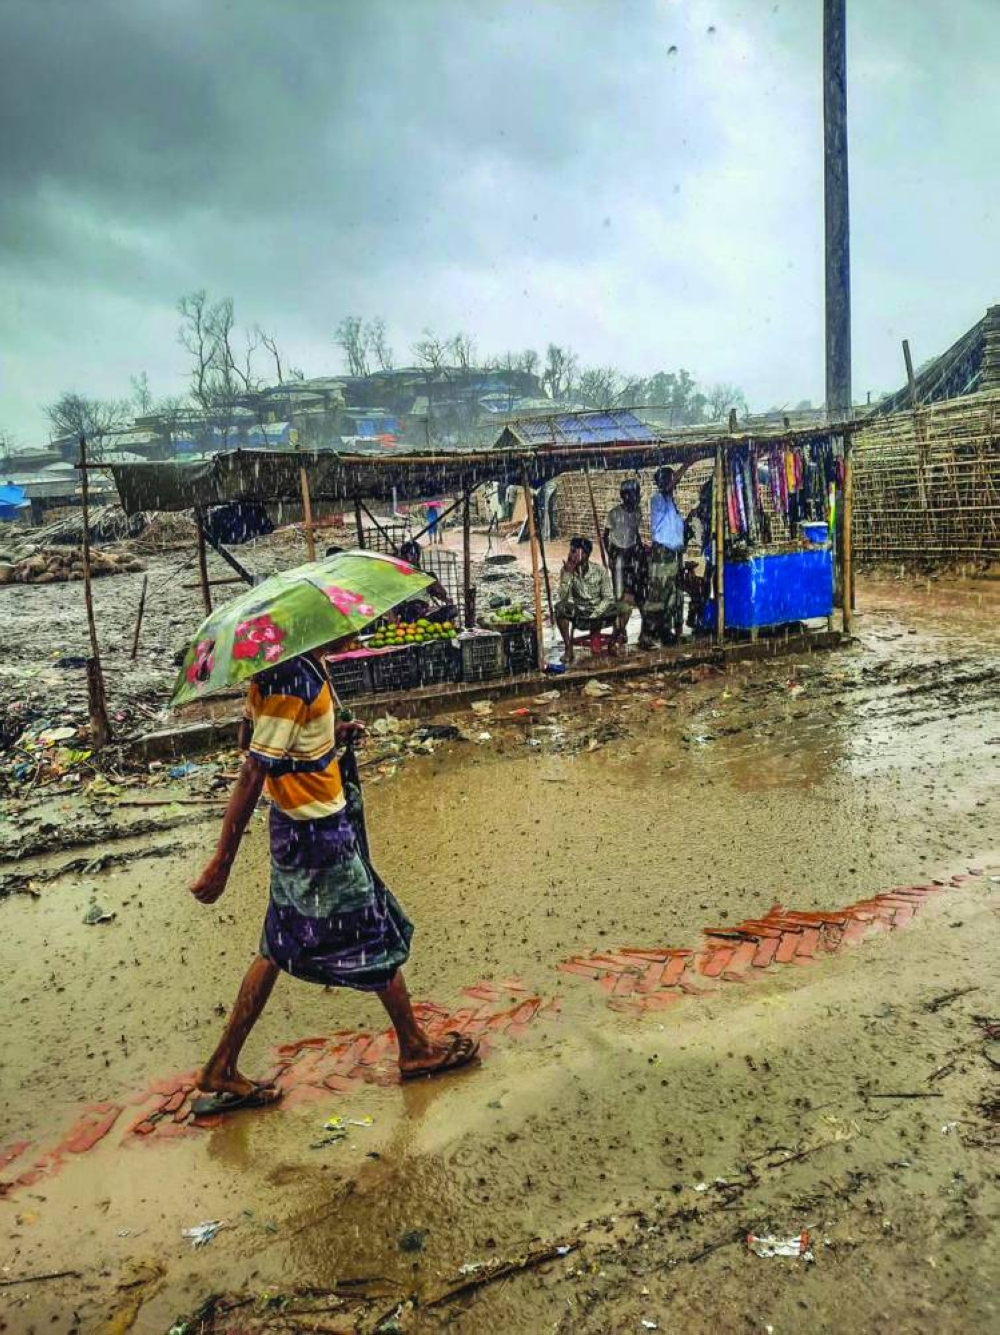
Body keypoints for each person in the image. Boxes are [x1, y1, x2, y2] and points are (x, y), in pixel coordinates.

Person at [189, 644, 480, 1113]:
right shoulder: (292, 678)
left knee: (276, 945)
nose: (354, 635)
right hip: (316, 835)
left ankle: (221, 1064)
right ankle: (414, 1047)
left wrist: (326, 734)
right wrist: (222, 862)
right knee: (372, 931)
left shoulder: (287, 670)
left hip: (298, 826)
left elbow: (254, 739)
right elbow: (253, 768)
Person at [641, 464, 691, 648]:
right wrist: (688, 464)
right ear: (662, 482)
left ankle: (663, 632)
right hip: (663, 553)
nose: (674, 483)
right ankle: (646, 635)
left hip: (673, 553)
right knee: (658, 596)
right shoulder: (658, 499)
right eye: (670, 479)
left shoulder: (670, 503)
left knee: (672, 595)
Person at [554, 535, 621, 663]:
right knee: (560, 608)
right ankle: (568, 649)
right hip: (580, 611)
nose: (570, 555)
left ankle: (612, 644)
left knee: (624, 608)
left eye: (574, 551)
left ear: (585, 554)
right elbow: (563, 598)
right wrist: (567, 574)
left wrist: (596, 612)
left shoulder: (600, 570)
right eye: (570, 551)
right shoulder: (567, 570)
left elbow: (608, 597)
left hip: (600, 611)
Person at [603, 479, 646, 646]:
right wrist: (611, 556)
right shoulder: (614, 514)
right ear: (625, 496)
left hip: (632, 553)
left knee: (632, 593)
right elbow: (606, 536)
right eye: (633, 495)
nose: (636, 498)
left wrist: (640, 548)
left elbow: (635, 532)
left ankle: (621, 629)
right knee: (619, 595)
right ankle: (620, 630)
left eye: (637, 494)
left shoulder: (637, 512)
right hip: (618, 554)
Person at [395, 539, 458, 624]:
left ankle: (426, 621)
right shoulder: (397, 576)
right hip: (407, 612)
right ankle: (424, 622)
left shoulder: (427, 576)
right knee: (413, 607)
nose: (410, 558)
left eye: (413, 556)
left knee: (452, 610)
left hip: (424, 612)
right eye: (407, 556)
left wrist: (433, 582)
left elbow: (442, 594)